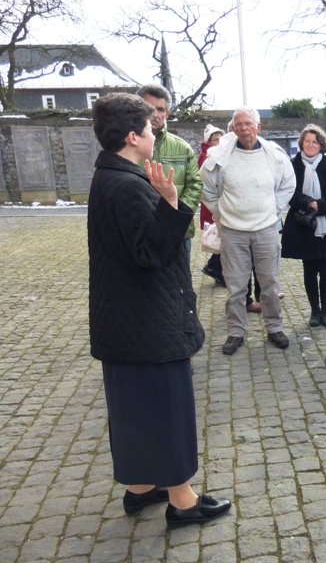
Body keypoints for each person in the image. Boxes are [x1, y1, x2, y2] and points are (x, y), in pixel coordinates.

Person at [87, 93, 230, 529]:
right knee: (167, 409)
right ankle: (182, 502)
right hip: (148, 322)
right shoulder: (129, 185)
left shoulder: (110, 175)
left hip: (125, 322)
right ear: (133, 137)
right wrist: (170, 201)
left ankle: (140, 487)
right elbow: (150, 254)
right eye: (150, 129)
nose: (155, 134)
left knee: (134, 409)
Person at [200, 106, 296, 355]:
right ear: (233, 128)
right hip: (233, 231)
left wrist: (274, 209)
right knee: (235, 286)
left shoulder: (274, 155)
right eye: (239, 124)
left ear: (258, 127)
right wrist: (221, 214)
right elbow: (206, 188)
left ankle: (274, 327)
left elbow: (288, 183)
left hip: (266, 230)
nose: (244, 128)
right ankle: (236, 332)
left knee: (270, 283)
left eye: (248, 123)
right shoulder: (220, 157)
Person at [281, 124, 326, 327]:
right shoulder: (292, 166)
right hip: (302, 222)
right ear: (301, 143)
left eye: (315, 142)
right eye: (307, 141)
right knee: (309, 269)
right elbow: (289, 192)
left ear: (322, 145)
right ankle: (314, 310)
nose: (311, 145)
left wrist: (319, 205)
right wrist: (308, 203)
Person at [136, 84, 202, 260]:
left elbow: (195, 184)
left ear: (167, 114)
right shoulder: (127, 146)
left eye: (160, 109)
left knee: (180, 277)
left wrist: (177, 214)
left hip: (178, 233)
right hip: (140, 230)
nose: (155, 114)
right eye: (149, 108)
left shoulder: (182, 148)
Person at [199, 124, 226, 286]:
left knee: (221, 241)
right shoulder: (207, 157)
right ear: (208, 141)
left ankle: (215, 270)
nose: (218, 142)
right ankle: (214, 269)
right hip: (213, 207)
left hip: (215, 204)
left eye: (220, 139)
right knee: (219, 240)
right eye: (215, 139)